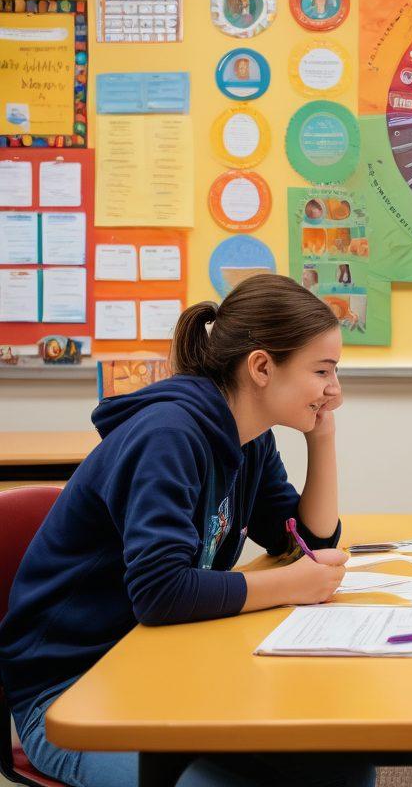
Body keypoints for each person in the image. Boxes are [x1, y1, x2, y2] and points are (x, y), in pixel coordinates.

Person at [0, 273, 375, 787]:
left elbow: (305, 543)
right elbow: (160, 592)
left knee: (344, 765)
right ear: (262, 367)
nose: (335, 390)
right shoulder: (169, 436)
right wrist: (293, 584)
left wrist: (322, 435)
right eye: (323, 371)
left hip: (164, 668)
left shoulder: (251, 439)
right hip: (75, 696)